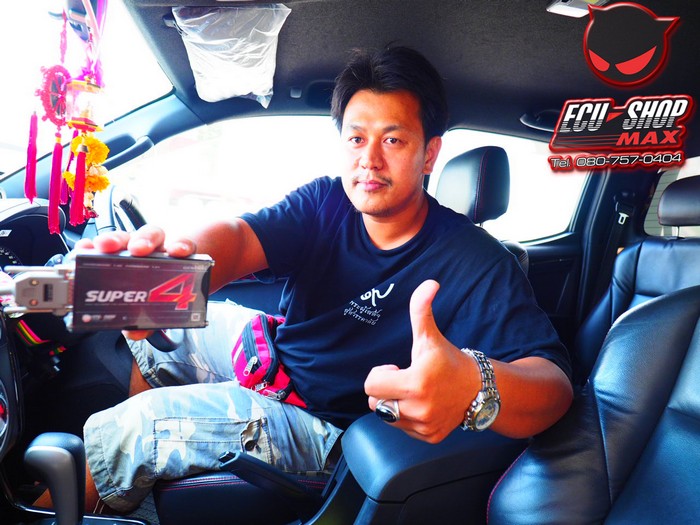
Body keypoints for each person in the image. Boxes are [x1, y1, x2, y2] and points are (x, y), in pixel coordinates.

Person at [48, 45, 573, 513]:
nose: (369, 160)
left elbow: (552, 387)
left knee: (137, 428)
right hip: (274, 359)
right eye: (356, 138)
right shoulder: (327, 202)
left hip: (328, 431)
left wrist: (472, 384)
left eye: (393, 140)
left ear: (429, 153)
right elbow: (239, 239)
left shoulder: (476, 261)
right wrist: (175, 268)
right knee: (159, 336)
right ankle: (131, 501)